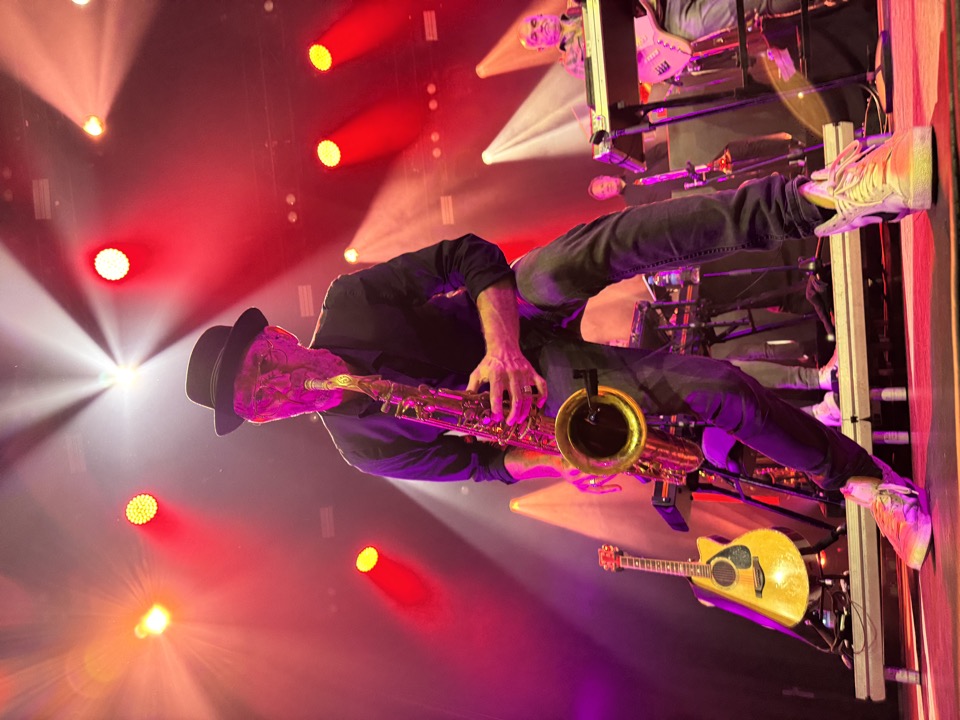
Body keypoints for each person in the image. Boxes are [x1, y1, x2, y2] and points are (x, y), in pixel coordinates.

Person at [186, 127, 935, 569]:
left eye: (263, 370)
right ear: (265, 421)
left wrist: (501, 349)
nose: (279, 392)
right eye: (259, 404)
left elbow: (471, 256)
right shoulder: (362, 448)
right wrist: (559, 453)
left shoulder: (349, 303)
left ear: (277, 338)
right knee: (715, 391)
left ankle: (830, 197)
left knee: (611, 243)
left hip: (509, 318)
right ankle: (864, 484)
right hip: (541, 393)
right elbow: (480, 463)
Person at [519, 0, 808, 79]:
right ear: (541, 47)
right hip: (664, 29)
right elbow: (616, 66)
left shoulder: (574, 5)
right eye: (534, 38)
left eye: (534, 23)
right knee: (732, 7)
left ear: (540, 15)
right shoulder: (571, 60)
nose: (538, 29)